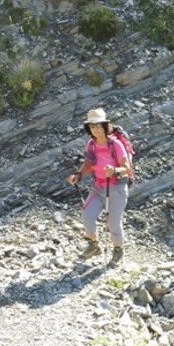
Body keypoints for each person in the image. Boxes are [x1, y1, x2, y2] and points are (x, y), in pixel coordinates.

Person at [67, 108, 131, 266]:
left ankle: (118, 250)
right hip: (98, 187)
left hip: (116, 188)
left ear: (104, 125)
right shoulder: (91, 145)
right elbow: (89, 163)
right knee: (87, 215)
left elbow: (127, 167)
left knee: (113, 223)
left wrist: (114, 170)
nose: (95, 129)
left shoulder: (115, 144)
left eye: (98, 125)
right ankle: (94, 246)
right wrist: (79, 174)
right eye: (92, 126)